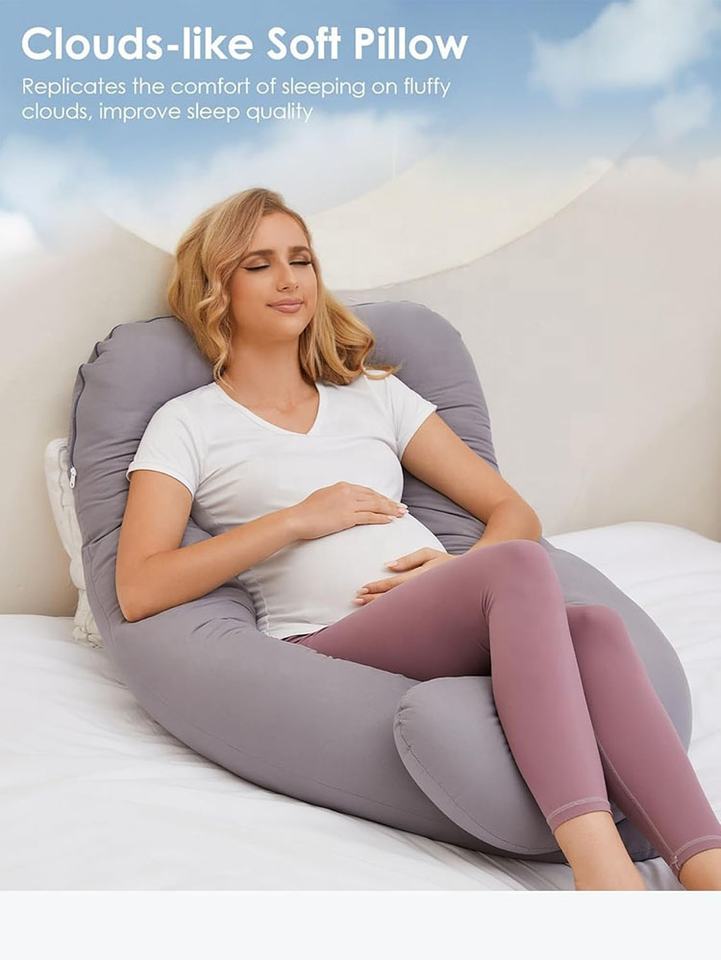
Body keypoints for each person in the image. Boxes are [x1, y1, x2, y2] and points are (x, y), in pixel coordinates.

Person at [116, 187, 721, 891]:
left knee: (593, 627)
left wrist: (456, 576)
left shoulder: (374, 395)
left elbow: (512, 511)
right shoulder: (187, 423)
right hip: (328, 637)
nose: (289, 280)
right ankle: (601, 872)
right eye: (258, 265)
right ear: (216, 288)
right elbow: (139, 587)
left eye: (300, 260)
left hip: (431, 610)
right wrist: (295, 519)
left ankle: (706, 866)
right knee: (519, 572)